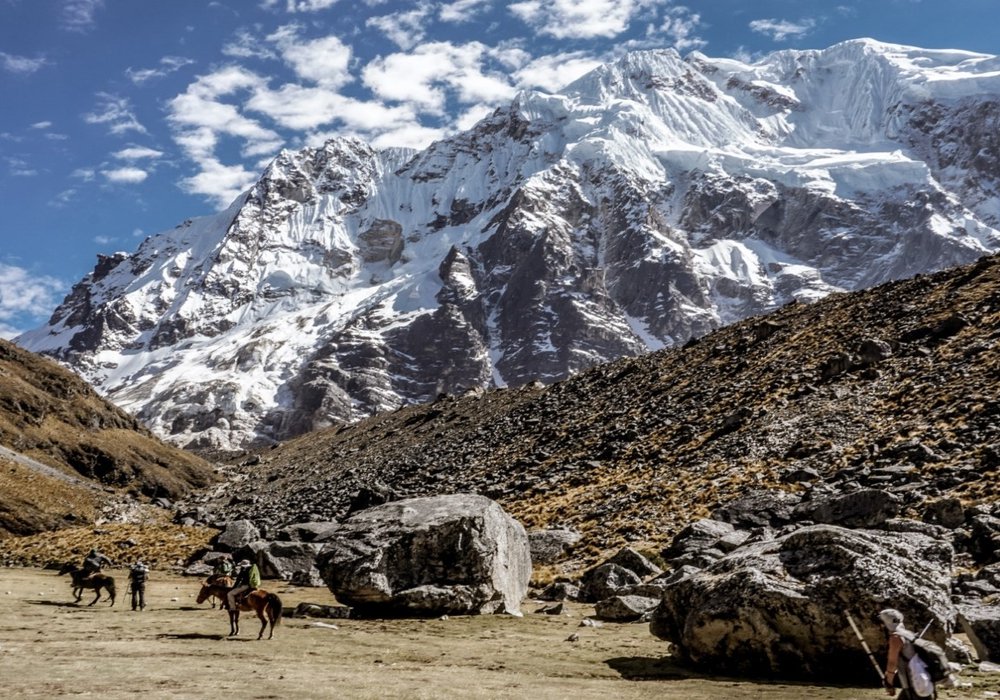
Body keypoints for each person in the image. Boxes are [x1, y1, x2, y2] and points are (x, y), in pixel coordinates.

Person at [880, 608, 936, 699]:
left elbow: (892, 663)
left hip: (912, 684)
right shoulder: (908, 634)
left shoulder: (896, 638)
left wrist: (888, 683)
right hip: (921, 679)